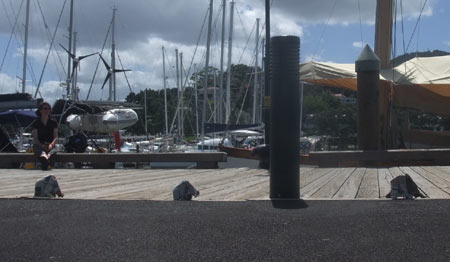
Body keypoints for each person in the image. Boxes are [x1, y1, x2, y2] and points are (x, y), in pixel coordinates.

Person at [32, 102, 58, 170]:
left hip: (50, 144)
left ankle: (46, 157)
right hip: (39, 144)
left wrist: (51, 145)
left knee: (53, 150)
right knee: (39, 150)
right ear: (40, 110)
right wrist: (41, 145)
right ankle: (44, 157)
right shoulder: (36, 123)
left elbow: (55, 137)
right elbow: (35, 138)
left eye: (48, 109)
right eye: (45, 108)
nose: (47, 110)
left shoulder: (53, 122)